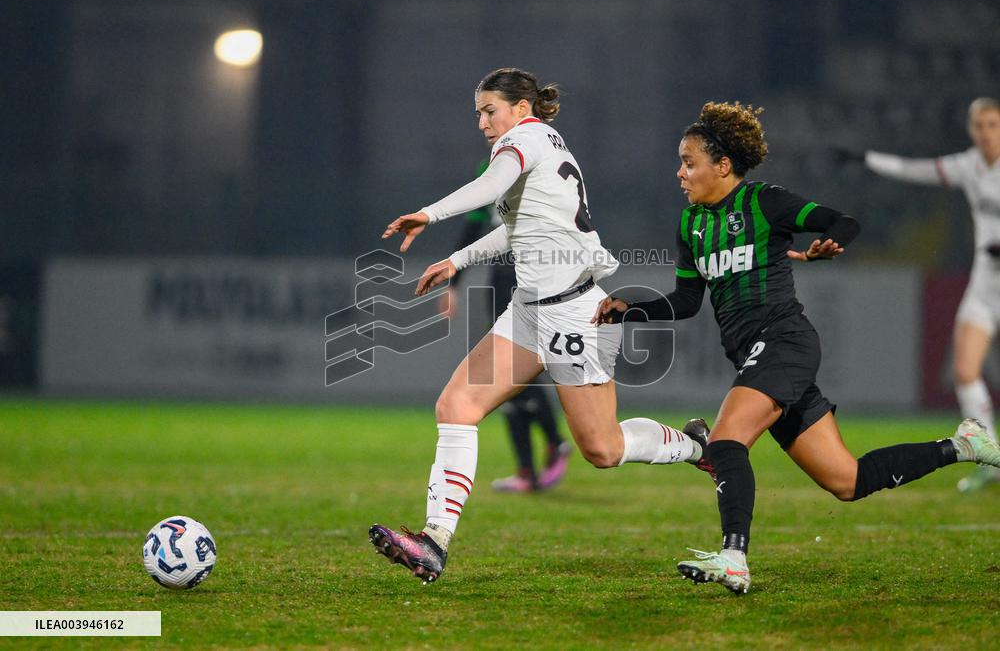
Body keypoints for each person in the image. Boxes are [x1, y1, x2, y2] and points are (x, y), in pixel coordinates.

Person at [594, 101, 1000, 594]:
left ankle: (733, 558)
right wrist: (631, 309)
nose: (680, 172)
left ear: (723, 166)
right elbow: (685, 301)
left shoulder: (765, 202)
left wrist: (827, 243)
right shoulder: (692, 226)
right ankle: (962, 446)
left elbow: (842, 221)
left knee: (726, 443)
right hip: (758, 357)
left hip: (784, 341)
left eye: (689, 162)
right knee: (847, 481)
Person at [370, 67, 708, 583]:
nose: (483, 122)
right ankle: (434, 541)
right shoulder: (533, 144)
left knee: (603, 448)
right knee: (456, 406)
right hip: (529, 311)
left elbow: (489, 188)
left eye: (490, 110)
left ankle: (697, 446)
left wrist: (427, 214)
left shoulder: (524, 140)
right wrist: (458, 261)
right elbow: (515, 230)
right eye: (478, 113)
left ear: (521, 109)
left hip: (575, 311)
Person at [836, 97, 1000, 493]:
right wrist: (868, 158)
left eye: (993, 125)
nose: (985, 133)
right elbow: (918, 170)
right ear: (970, 130)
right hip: (985, 285)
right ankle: (991, 457)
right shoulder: (969, 165)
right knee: (965, 370)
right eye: (979, 126)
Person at [442, 191, 571, 493]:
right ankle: (529, 467)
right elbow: (473, 228)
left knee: (513, 368)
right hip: (500, 275)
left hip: (527, 276)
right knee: (506, 372)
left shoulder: (533, 162)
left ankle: (554, 441)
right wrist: (454, 284)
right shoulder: (491, 168)